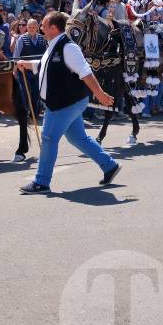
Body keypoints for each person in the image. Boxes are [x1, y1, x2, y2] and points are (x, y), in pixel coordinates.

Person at [14, 12, 120, 194]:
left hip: (63, 103)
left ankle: (41, 182)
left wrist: (100, 94)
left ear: (54, 28)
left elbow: (86, 72)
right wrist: (29, 64)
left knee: (48, 138)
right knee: (78, 138)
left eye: (44, 26)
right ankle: (109, 165)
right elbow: (47, 64)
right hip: (66, 102)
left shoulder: (69, 47)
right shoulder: (54, 45)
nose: (41, 29)